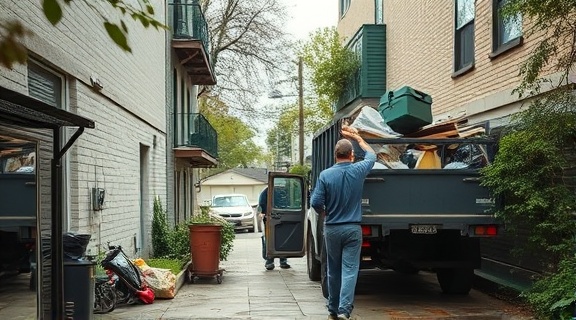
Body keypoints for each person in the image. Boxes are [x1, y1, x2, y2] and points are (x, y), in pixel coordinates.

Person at [310, 125, 376, 320]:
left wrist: (326, 212)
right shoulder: (359, 170)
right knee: (349, 270)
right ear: (352, 155)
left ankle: (332, 308)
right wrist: (359, 138)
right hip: (352, 228)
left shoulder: (325, 175)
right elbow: (372, 156)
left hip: (332, 228)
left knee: (333, 269)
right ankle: (344, 310)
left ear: (334, 155)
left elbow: (315, 202)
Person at [258, 186, 291, 270]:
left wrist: (264, 212)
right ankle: (282, 261)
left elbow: (262, 202)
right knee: (282, 238)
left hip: (270, 217)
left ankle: (270, 261)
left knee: (270, 239)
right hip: (282, 216)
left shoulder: (267, 190)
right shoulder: (284, 190)